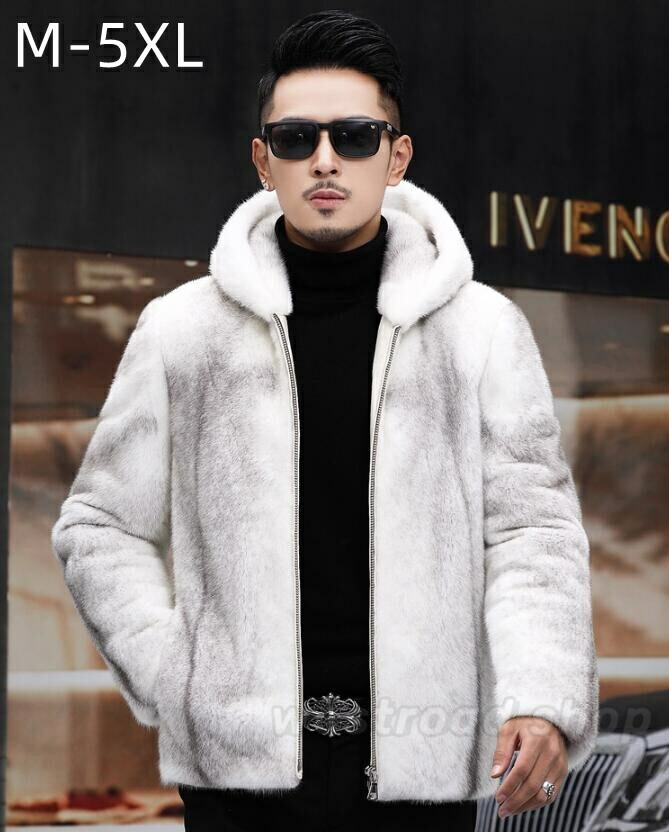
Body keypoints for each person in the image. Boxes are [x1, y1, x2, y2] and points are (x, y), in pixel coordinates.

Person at [51, 9, 599, 832]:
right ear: (262, 160)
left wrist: (541, 694)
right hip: (239, 783)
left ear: (396, 156)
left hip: (420, 774)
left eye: (354, 135)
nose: (325, 159)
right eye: (296, 138)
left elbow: (532, 531)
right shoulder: (183, 330)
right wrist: (177, 678)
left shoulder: (480, 330)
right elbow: (98, 526)